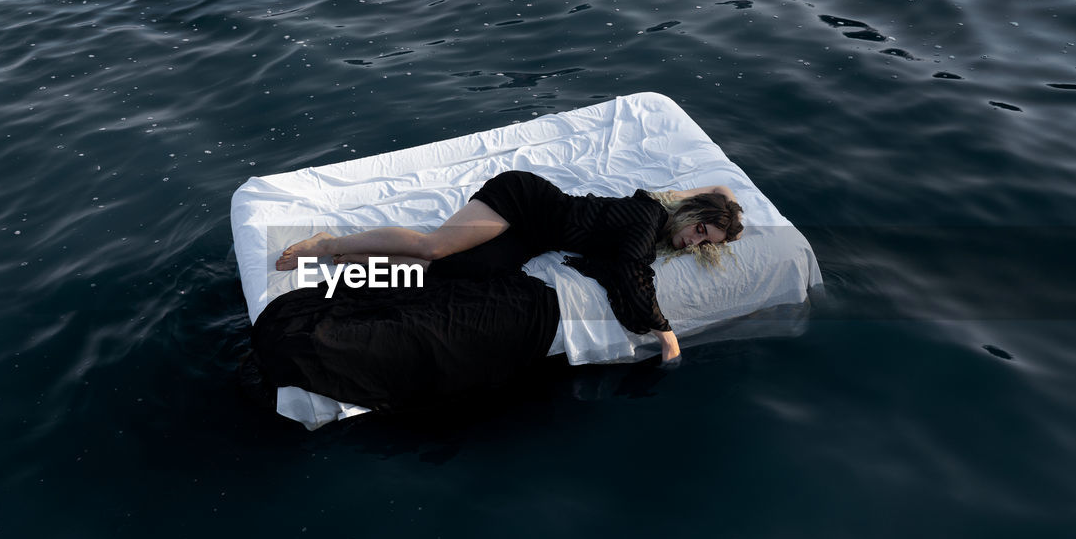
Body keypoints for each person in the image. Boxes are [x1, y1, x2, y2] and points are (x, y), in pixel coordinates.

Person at [275, 170, 744, 364]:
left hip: (532, 235)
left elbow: (720, 200)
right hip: (523, 200)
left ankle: (353, 258)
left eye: (707, 245)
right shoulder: (649, 216)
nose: (696, 243)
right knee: (435, 249)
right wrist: (666, 334)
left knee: (457, 272)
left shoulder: (653, 222)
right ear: (693, 214)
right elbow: (634, 276)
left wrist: (720, 219)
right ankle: (328, 242)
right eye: (701, 231)